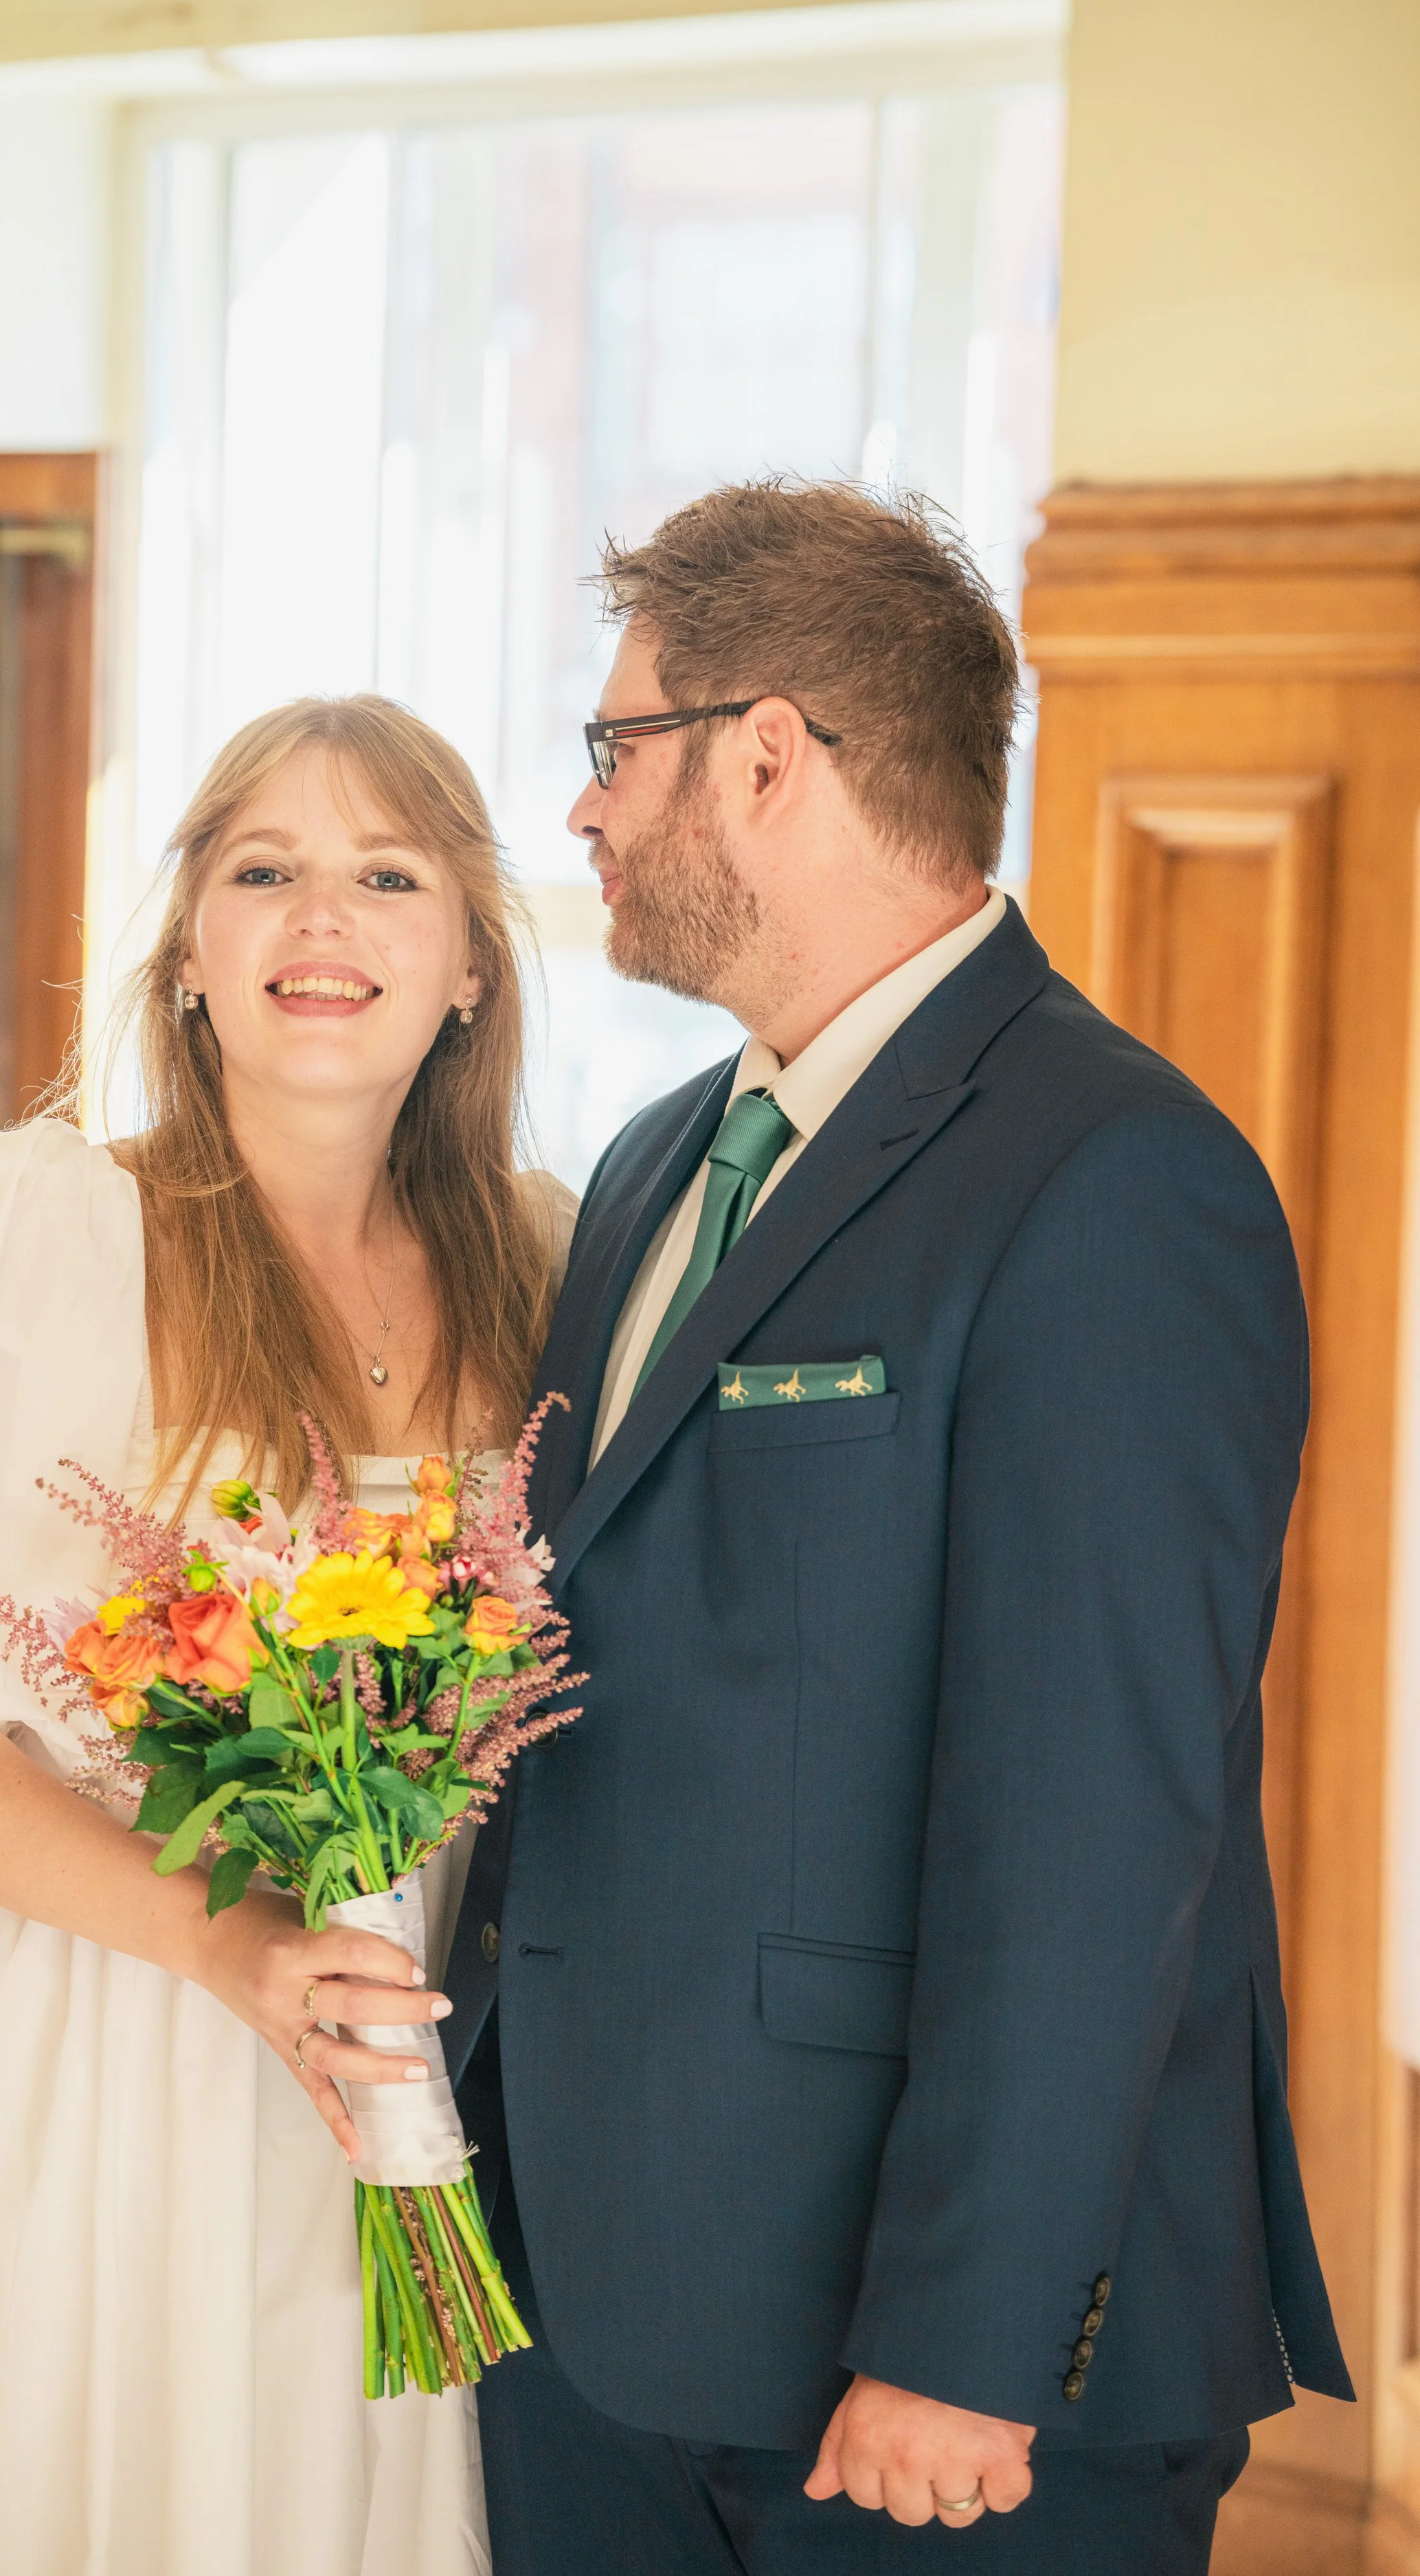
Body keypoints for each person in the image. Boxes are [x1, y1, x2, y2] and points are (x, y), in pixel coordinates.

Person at [444, 479, 1353, 2575]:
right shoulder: (661, 1158)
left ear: (767, 754)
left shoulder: (1114, 1177)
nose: (578, 815)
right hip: (587, 2301)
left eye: (614, 748)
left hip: (924, 2370)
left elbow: (1098, 1818)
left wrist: (966, 2337)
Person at [0, 697, 570, 2576]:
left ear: (474, 963)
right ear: (189, 952)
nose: (315, 917)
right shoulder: (34, 1216)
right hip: (70, 2014)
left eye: (384, 873)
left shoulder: (544, 1254)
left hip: (375, 2019)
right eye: (260, 871)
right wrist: (225, 1940)